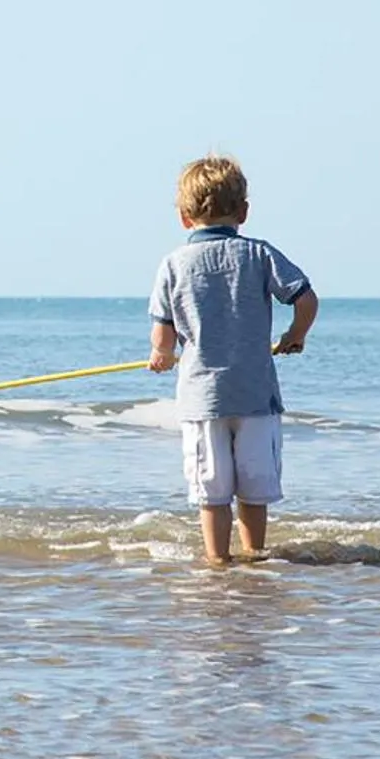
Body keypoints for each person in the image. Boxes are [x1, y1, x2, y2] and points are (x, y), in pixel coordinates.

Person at [145, 155, 318, 565]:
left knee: (212, 490)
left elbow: (163, 335)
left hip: (203, 399)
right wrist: (295, 335)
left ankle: (217, 561)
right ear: (243, 211)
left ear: (185, 218)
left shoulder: (173, 264)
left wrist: (162, 355)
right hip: (255, 395)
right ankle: (255, 556)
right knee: (254, 488)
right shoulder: (260, 255)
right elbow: (305, 298)